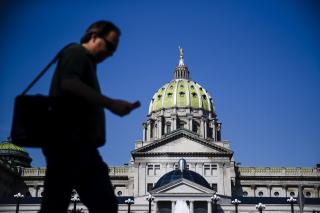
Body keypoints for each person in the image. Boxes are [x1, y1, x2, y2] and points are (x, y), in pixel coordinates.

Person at [40, 20, 140, 213]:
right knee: (102, 205)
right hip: (69, 144)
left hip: (77, 145)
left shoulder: (87, 63)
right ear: (94, 37)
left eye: (114, 49)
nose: (111, 53)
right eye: (109, 45)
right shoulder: (76, 52)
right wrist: (111, 104)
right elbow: (69, 84)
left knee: (57, 207)